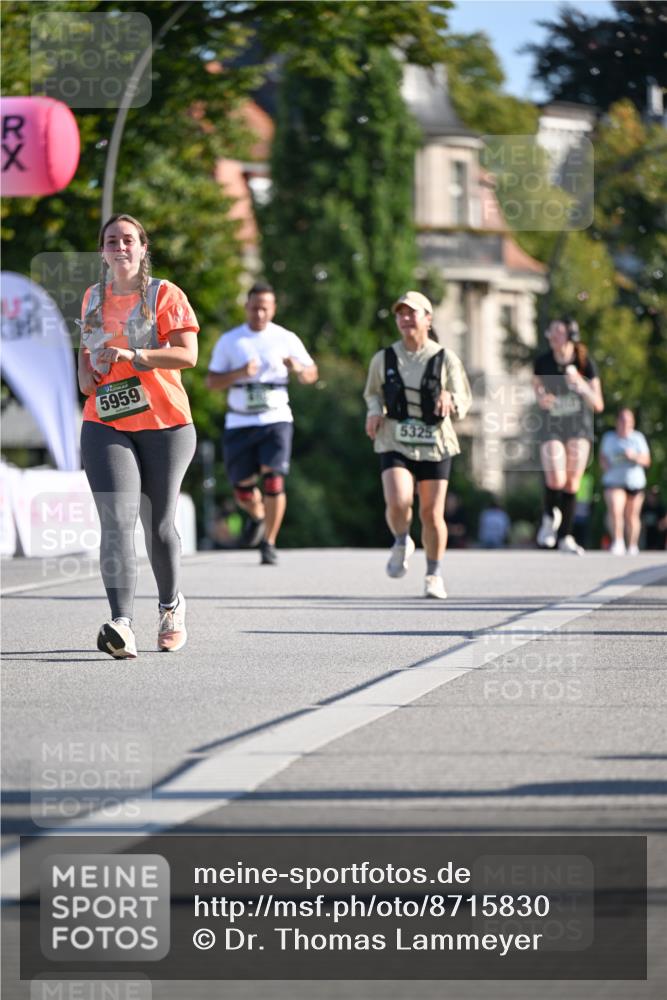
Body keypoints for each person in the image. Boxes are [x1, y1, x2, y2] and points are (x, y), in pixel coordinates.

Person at [78, 214, 199, 658]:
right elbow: (85, 373)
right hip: (106, 420)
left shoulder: (165, 294)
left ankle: (170, 606)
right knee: (116, 520)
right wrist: (91, 372)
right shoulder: (92, 298)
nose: (120, 247)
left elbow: (188, 355)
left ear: (143, 248)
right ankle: (122, 624)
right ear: (103, 251)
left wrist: (134, 354)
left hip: (166, 423)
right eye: (112, 241)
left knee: (159, 523)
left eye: (128, 240)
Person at [364, 290, 472, 599]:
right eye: (401, 313)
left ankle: (433, 574)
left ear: (428, 319)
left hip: (434, 442)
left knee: (431, 513)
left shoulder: (445, 358)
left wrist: (450, 398)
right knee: (398, 501)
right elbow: (372, 393)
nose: (406, 318)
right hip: (394, 438)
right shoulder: (384, 358)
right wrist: (374, 411)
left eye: (412, 313)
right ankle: (401, 540)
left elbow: (463, 398)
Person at [206, 283, 318, 565]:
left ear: (274, 309)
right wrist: (240, 373)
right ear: (246, 307)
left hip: (275, 418)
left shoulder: (285, 338)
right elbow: (212, 382)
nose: (259, 313)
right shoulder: (231, 340)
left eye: (265, 308)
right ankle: (257, 515)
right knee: (243, 490)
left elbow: (312, 373)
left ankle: (269, 542)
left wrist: (298, 369)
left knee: (274, 479)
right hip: (239, 421)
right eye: (255, 307)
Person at [533, 318, 604, 555]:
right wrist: (542, 398)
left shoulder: (585, 363)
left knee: (572, 482)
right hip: (553, 426)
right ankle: (548, 518)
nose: (552, 336)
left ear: (571, 335)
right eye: (550, 331)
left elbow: (598, 404)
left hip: (578, 427)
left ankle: (565, 536)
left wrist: (581, 385)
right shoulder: (543, 362)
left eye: (558, 331)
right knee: (556, 477)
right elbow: (537, 391)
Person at [600, 407, 651, 554]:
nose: (625, 423)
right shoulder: (609, 438)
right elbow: (602, 457)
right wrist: (605, 464)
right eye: (622, 420)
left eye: (628, 420)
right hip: (613, 481)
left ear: (632, 422)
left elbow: (647, 461)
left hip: (634, 482)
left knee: (632, 515)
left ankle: (632, 545)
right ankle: (618, 541)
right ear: (617, 421)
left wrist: (633, 456)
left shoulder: (638, 438)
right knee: (615, 510)